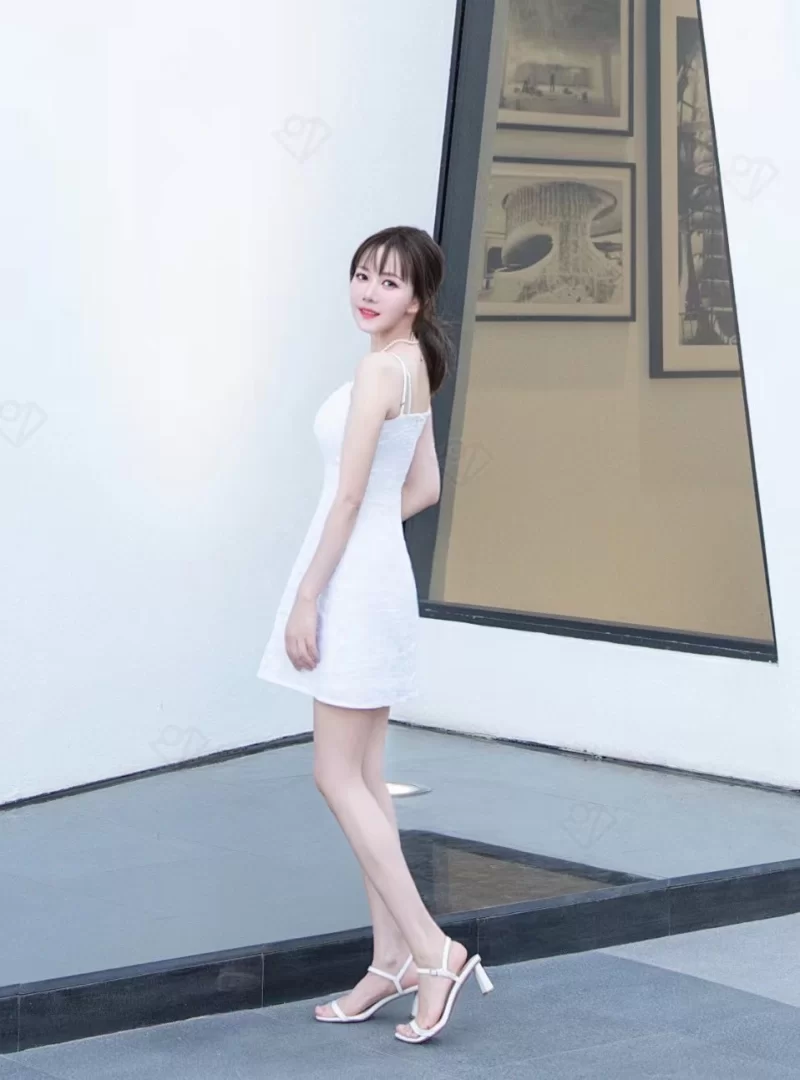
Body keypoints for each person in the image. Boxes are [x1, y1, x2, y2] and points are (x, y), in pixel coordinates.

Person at [256, 225, 495, 1043]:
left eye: (390, 282)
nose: (369, 291)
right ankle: (391, 961)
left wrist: (307, 597)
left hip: (351, 588)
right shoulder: (414, 365)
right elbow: (423, 487)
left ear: (418, 298)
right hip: (376, 577)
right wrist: (364, 548)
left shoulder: (377, 371)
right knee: (364, 775)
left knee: (335, 774)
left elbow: (353, 497)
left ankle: (432, 949)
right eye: (363, 274)